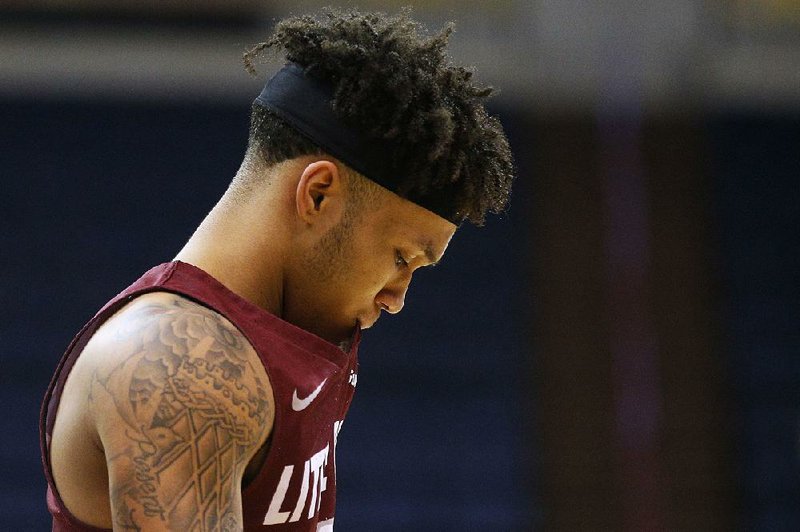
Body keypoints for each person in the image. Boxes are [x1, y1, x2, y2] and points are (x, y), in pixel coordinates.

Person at [40, 8, 514, 531]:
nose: (397, 297)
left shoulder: (278, 343)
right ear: (317, 194)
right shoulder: (178, 362)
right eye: (402, 258)